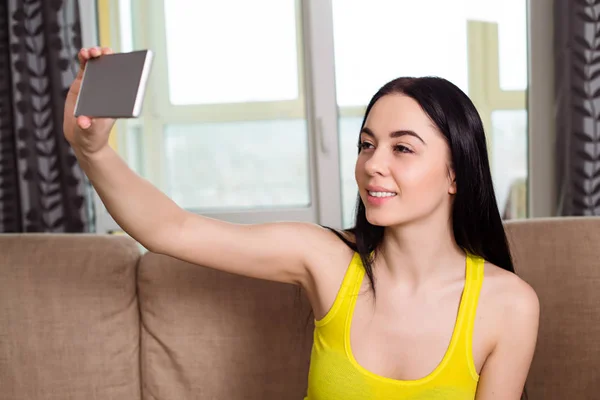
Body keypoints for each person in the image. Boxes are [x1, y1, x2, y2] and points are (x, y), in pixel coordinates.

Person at [64, 47, 539, 400]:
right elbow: (170, 229)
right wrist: (94, 151)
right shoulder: (327, 261)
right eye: (366, 144)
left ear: (455, 172)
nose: (373, 164)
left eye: (402, 148)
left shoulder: (509, 306)